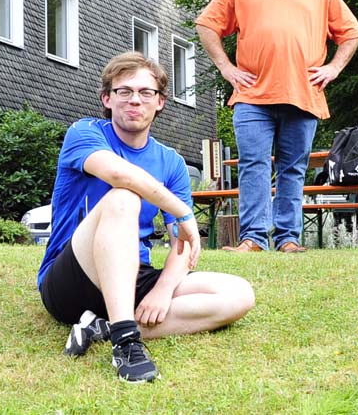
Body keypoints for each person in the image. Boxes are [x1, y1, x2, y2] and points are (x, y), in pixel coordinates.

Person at [37, 52, 255, 383]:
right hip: (72, 275)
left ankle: (102, 328)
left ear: (160, 102)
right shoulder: (84, 133)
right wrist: (182, 210)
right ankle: (126, 343)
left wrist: (163, 289)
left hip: (132, 276)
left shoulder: (171, 162)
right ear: (107, 99)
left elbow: (180, 242)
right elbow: (118, 174)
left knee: (238, 294)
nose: (134, 100)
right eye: (124, 91)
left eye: (145, 92)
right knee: (124, 197)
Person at [196, 0, 358, 254]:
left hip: (303, 94)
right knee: (253, 166)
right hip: (252, 96)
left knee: (293, 168)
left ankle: (288, 239)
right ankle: (253, 240)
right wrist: (226, 68)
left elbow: (351, 33)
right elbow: (207, 24)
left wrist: (333, 68)